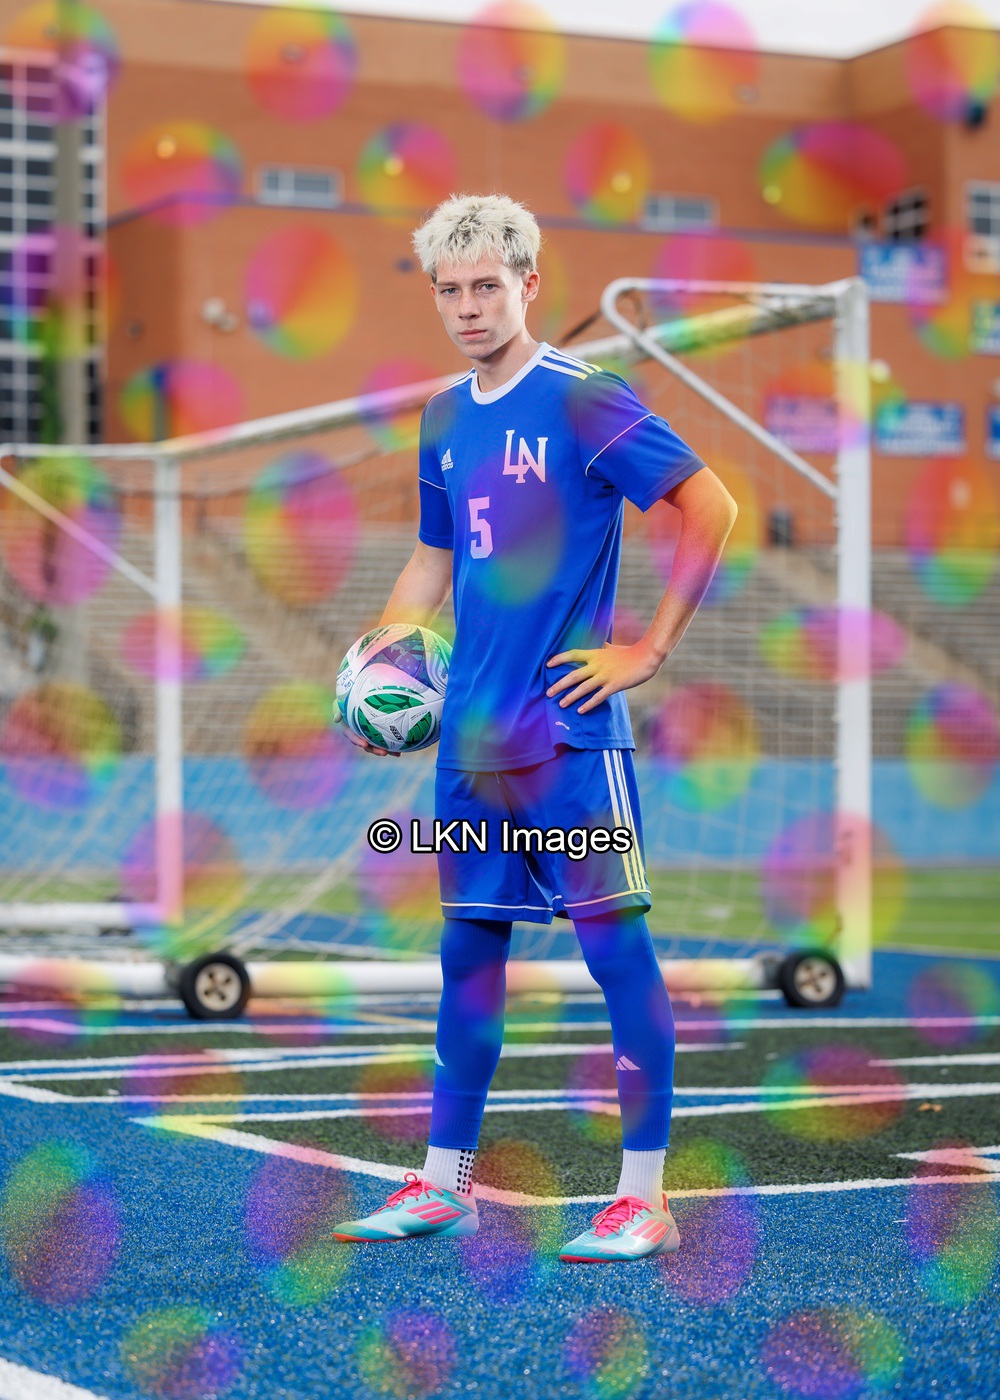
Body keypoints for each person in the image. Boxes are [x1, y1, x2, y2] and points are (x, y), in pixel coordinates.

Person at [334, 193, 736, 1262]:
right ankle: (443, 1184)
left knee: (617, 953)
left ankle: (643, 1197)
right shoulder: (441, 417)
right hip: (469, 747)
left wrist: (648, 648)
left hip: (566, 741)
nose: (468, 306)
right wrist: (380, 658)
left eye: (486, 286)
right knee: (468, 957)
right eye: (450, 289)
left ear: (529, 284)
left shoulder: (584, 398)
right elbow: (434, 557)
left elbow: (711, 505)